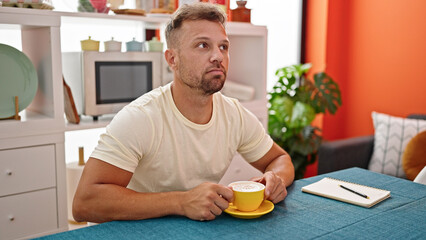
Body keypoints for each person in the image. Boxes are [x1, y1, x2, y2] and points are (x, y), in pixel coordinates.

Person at [73, 3, 294, 223]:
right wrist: (181, 202)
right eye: (202, 45)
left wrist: (275, 180)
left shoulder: (234, 115)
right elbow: (85, 203)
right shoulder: (140, 117)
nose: (218, 56)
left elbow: (280, 159)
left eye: (223, 47)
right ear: (172, 59)